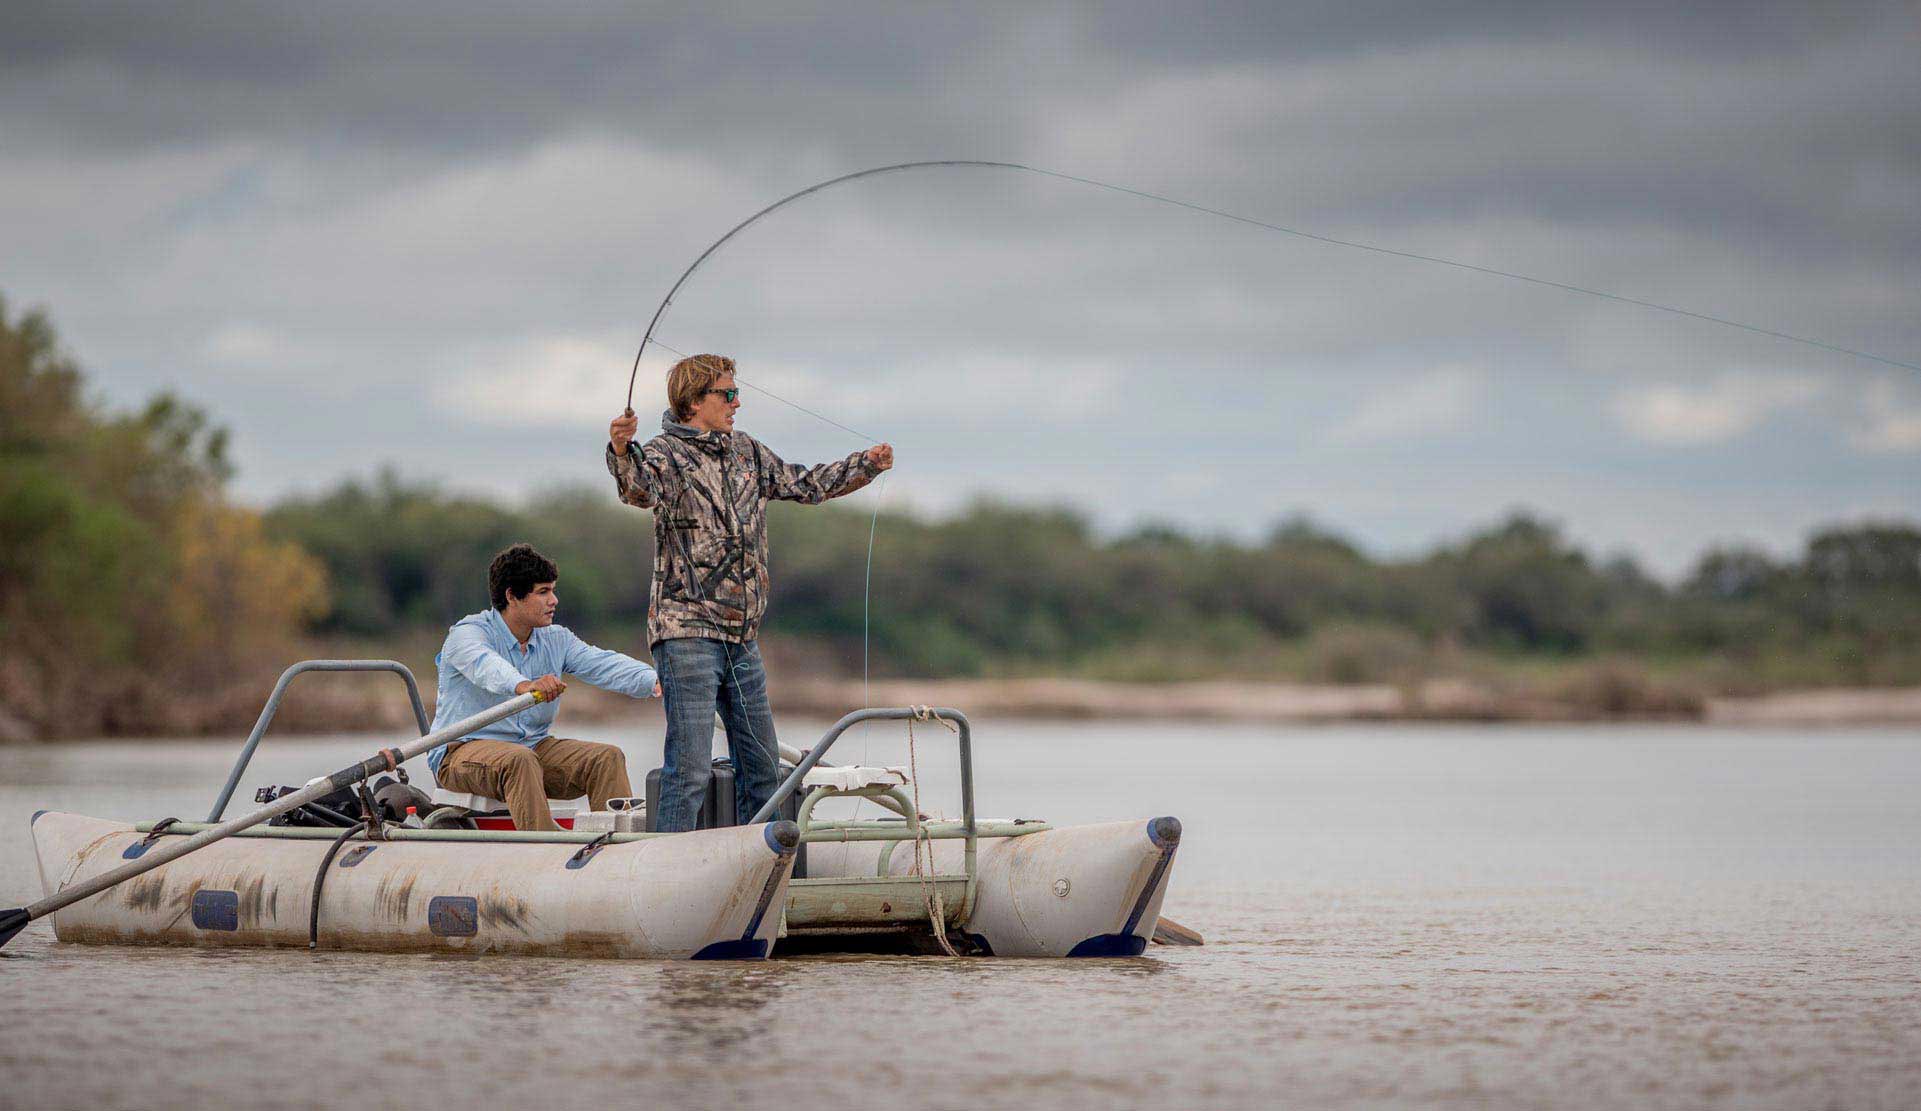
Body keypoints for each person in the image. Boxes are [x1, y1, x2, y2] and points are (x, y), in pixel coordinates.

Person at [607, 353, 893, 832]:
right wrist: (620, 450)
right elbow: (637, 489)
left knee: (763, 772)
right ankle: (665, 875)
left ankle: (755, 875)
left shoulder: (747, 451)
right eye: (729, 394)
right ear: (695, 401)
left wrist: (866, 466)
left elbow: (805, 484)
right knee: (691, 771)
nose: (737, 403)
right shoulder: (662, 454)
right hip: (686, 633)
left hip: (743, 637)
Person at [427, 543, 661, 831]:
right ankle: (545, 850)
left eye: (552, 590)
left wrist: (656, 681)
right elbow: (485, 665)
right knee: (520, 760)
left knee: (606, 757)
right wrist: (523, 685)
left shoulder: (556, 638)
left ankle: (618, 850)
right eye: (543, 592)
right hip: (460, 753)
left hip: (532, 748)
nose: (554, 600)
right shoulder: (468, 634)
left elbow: (602, 663)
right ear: (512, 596)